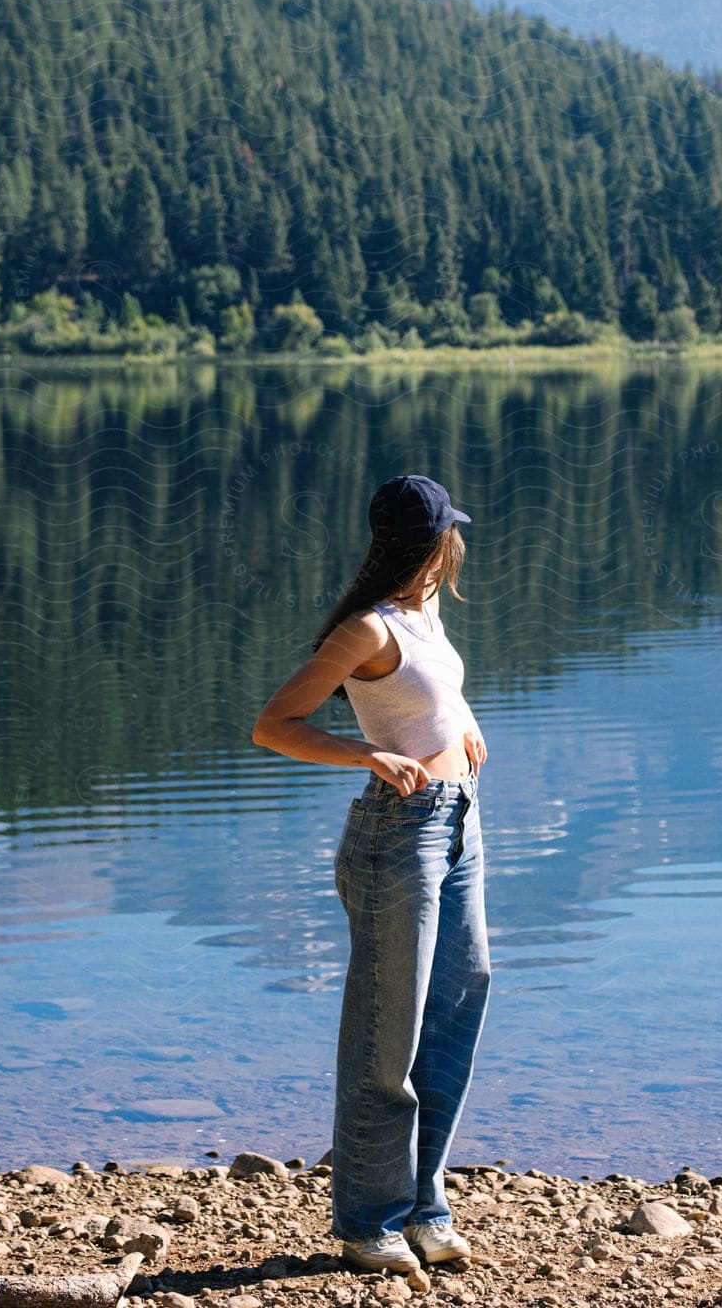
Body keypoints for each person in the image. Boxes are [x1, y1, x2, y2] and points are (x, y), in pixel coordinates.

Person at [252, 473, 491, 1277]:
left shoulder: (425, 611)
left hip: (460, 821)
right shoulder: (367, 630)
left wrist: (463, 723)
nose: (458, 545)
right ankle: (366, 1224)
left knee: (457, 1004)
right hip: (401, 833)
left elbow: (430, 694)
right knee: (389, 1030)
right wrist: (365, 753)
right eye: (449, 535)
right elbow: (274, 725)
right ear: (433, 543)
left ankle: (425, 1207)